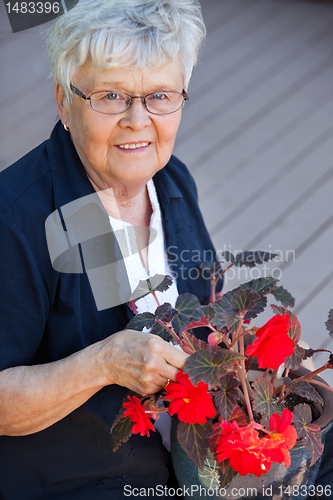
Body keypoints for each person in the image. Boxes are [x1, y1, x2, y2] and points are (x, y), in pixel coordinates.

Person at [0, 0, 215, 498]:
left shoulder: (172, 181)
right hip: (80, 480)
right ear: (63, 101)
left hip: (186, 457)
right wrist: (102, 364)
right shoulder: (19, 220)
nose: (138, 120)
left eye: (160, 95)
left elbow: (204, 299)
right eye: (111, 95)